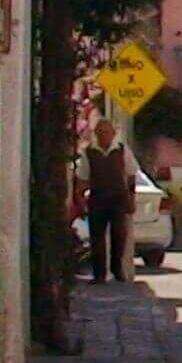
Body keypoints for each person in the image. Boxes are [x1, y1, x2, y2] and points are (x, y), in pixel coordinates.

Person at [77, 119, 138, 282]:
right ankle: (99, 274)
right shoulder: (89, 152)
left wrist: (132, 198)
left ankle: (117, 269)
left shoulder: (122, 150)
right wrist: (81, 200)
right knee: (96, 238)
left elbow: (131, 175)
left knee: (119, 235)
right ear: (96, 134)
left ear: (113, 133)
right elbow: (82, 178)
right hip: (98, 197)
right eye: (100, 133)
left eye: (107, 132)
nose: (104, 136)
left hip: (118, 197)